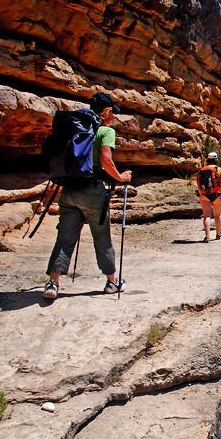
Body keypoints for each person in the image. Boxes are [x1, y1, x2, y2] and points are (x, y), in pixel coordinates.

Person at [43, 93, 132, 300]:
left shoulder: (74, 127)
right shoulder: (105, 131)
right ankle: (112, 282)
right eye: (112, 113)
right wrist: (121, 177)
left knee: (64, 237)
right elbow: (106, 159)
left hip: (69, 189)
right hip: (93, 192)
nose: (113, 118)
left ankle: (53, 283)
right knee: (102, 238)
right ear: (107, 111)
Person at [197, 152, 221, 243]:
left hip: (204, 195)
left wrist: (202, 193)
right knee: (217, 215)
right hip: (216, 194)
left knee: (206, 216)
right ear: (216, 160)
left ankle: (207, 236)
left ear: (208, 160)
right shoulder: (218, 169)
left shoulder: (202, 169)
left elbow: (198, 185)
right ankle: (218, 233)